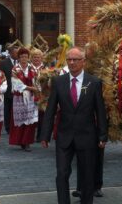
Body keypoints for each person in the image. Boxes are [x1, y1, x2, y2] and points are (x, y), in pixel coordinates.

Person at [41, 47, 108, 204]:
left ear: (83, 62)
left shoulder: (94, 82)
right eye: (69, 59)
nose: (71, 63)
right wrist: (45, 135)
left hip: (87, 136)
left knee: (87, 175)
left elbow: (100, 111)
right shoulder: (58, 82)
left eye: (75, 60)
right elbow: (50, 110)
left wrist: (103, 135)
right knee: (62, 173)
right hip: (64, 136)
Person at [9, 47, 38, 151]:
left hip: (30, 97)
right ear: (19, 58)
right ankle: (20, 141)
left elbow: (36, 81)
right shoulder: (15, 69)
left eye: (26, 56)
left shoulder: (32, 68)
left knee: (29, 120)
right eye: (22, 57)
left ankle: (27, 142)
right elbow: (16, 84)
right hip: (19, 98)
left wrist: (36, 88)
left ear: (28, 57)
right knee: (21, 120)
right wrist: (31, 88)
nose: (24, 59)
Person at [0, 44, 19, 134]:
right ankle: (8, 127)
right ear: (11, 53)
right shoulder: (3, 63)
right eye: (16, 53)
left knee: (16, 109)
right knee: (7, 109)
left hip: (19, 90)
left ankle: (16, 126)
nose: (18, 54)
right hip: (8, 90)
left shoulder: (21, 62)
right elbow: (1, 76)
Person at [30, 48, 46, 142]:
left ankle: (41, 136)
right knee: (31, 116)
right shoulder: (28, 68)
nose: (36, 59)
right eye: (34, 57)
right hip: (30, 94)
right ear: (31, 58)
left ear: (41, 58)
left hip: (42, 95)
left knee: (42, 116)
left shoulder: (45, 68)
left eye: (38, 57)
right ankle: (30, 136)